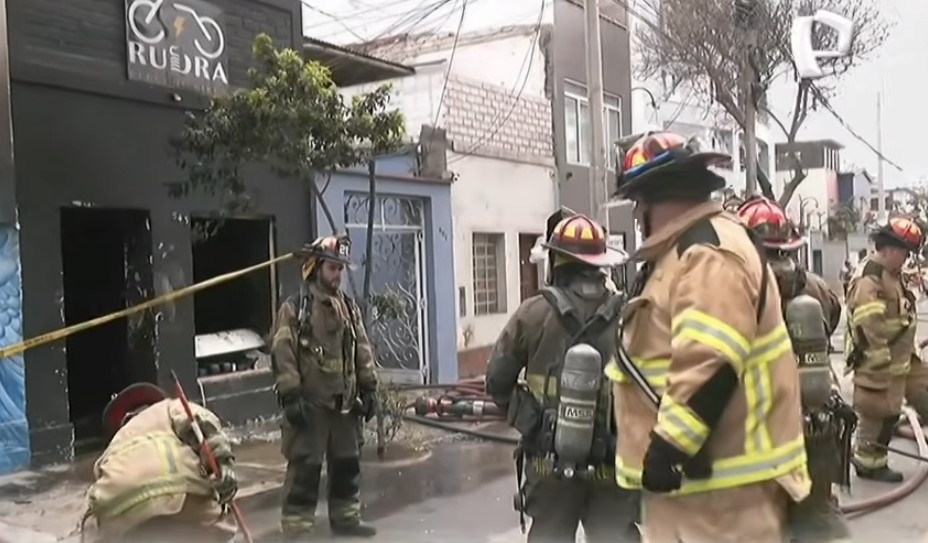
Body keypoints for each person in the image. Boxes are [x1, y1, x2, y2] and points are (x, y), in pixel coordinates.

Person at [605, 131, 810, 543]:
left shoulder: (708, 253)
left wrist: (670, 448)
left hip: (723, 496)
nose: (638, 212)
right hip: (701, 494)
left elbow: (711, 359)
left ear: (658, 199)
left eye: (639, 202)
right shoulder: (685, 252)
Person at [485, 210, 640, 543]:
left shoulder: (532, 314)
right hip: (612, 463)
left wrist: (537, 426)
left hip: (548, 464)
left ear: (556, 261)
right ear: (600, 263)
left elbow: (496, 381)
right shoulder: (631, 317)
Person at [736, 196, 854, 543]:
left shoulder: (735, 288)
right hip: (817, 417)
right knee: (816, 510)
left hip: (757, 423)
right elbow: (831, 320)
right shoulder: (816, 287)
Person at [271, 235, 379, 540]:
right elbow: (283, 351)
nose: (337, 275)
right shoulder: (295, 308)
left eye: (340, 269)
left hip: (344, 407)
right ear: (315, 268)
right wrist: (291, 395)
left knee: (347, 465)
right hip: (311, 407)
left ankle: (345, 520)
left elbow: (362, 348)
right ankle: (296, 530)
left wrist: (369, 388)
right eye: (332, 268)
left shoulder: (347, 307)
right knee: (305, 470)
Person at [79, 383, 238, 542]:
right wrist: (223, 463)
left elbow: (97, 494)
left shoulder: (116, 443)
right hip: (181, 486)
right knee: (222, 527)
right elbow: (200, 427)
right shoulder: (170, 407)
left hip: (122, 500)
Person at [846, 217, 928, 482]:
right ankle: (869, 463)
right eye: (904, 253)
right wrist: (880, 365)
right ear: (891, 248)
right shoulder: (870, 278)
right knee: (881, 411)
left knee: (923, 392)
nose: (905, 259)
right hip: (879, 360)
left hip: (904, 357)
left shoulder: (891, 275)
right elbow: (869, 325)